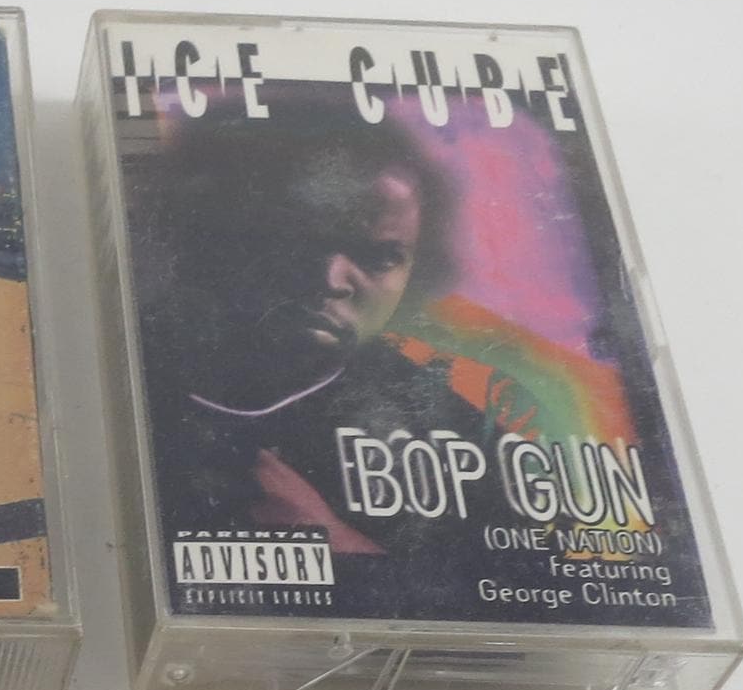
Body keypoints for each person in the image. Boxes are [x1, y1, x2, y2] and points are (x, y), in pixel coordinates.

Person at [134, 108, 504, 612]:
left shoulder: (456, 432)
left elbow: (527, 610)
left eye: (378, 258)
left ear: (415, 269)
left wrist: (333, 543)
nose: (331, 280)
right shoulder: (132, 377)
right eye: (301, 241)